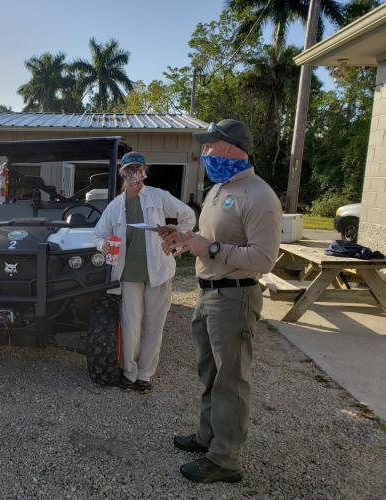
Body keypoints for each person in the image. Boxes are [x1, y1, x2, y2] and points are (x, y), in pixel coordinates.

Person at [160, 119, 282, 483]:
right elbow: (209, 238)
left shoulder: (260, 197)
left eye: (211, 146)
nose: (206, 153)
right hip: (210, 294)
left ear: (232, 149)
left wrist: (210, 247)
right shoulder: (219, 189)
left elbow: (263, 259)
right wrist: (186, 239)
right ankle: (208, 437)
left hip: (235, 298)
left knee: (231, 380)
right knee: (211, 374)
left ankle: (225, 461)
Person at [93, 151, 196, 392]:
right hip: (128, 275)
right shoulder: (116, 205)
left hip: (159, 273)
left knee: (154, 325)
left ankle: (145, 375)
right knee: (131, 326)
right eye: (129, 169)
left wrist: (178, 238)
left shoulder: (159, 197)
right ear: (122, 173)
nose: (133, 173)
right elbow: (98, 234)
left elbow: (188, 215)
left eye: (138, 169)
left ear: (145, 172)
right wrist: (103, 244)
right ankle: (129, 373)